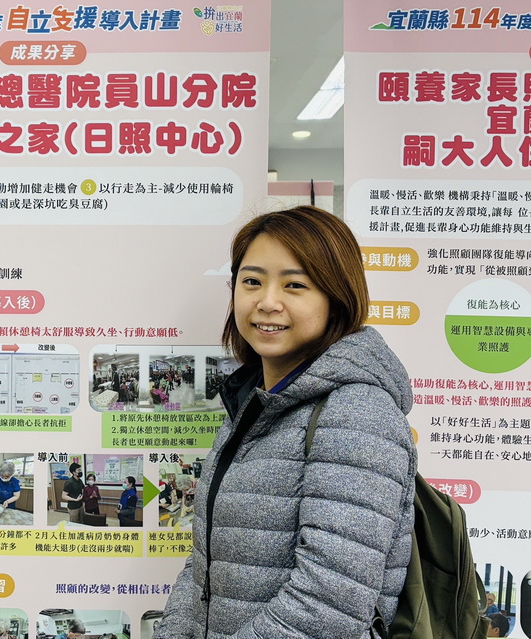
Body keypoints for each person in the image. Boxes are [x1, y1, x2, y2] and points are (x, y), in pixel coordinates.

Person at [154, 207, 417, 638]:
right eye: (252, 281)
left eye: (295, 285)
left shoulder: (356, 413)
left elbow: (329, 604)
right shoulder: (256, 402)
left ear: (337, 297)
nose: (267, 302)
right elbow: (206, 563)